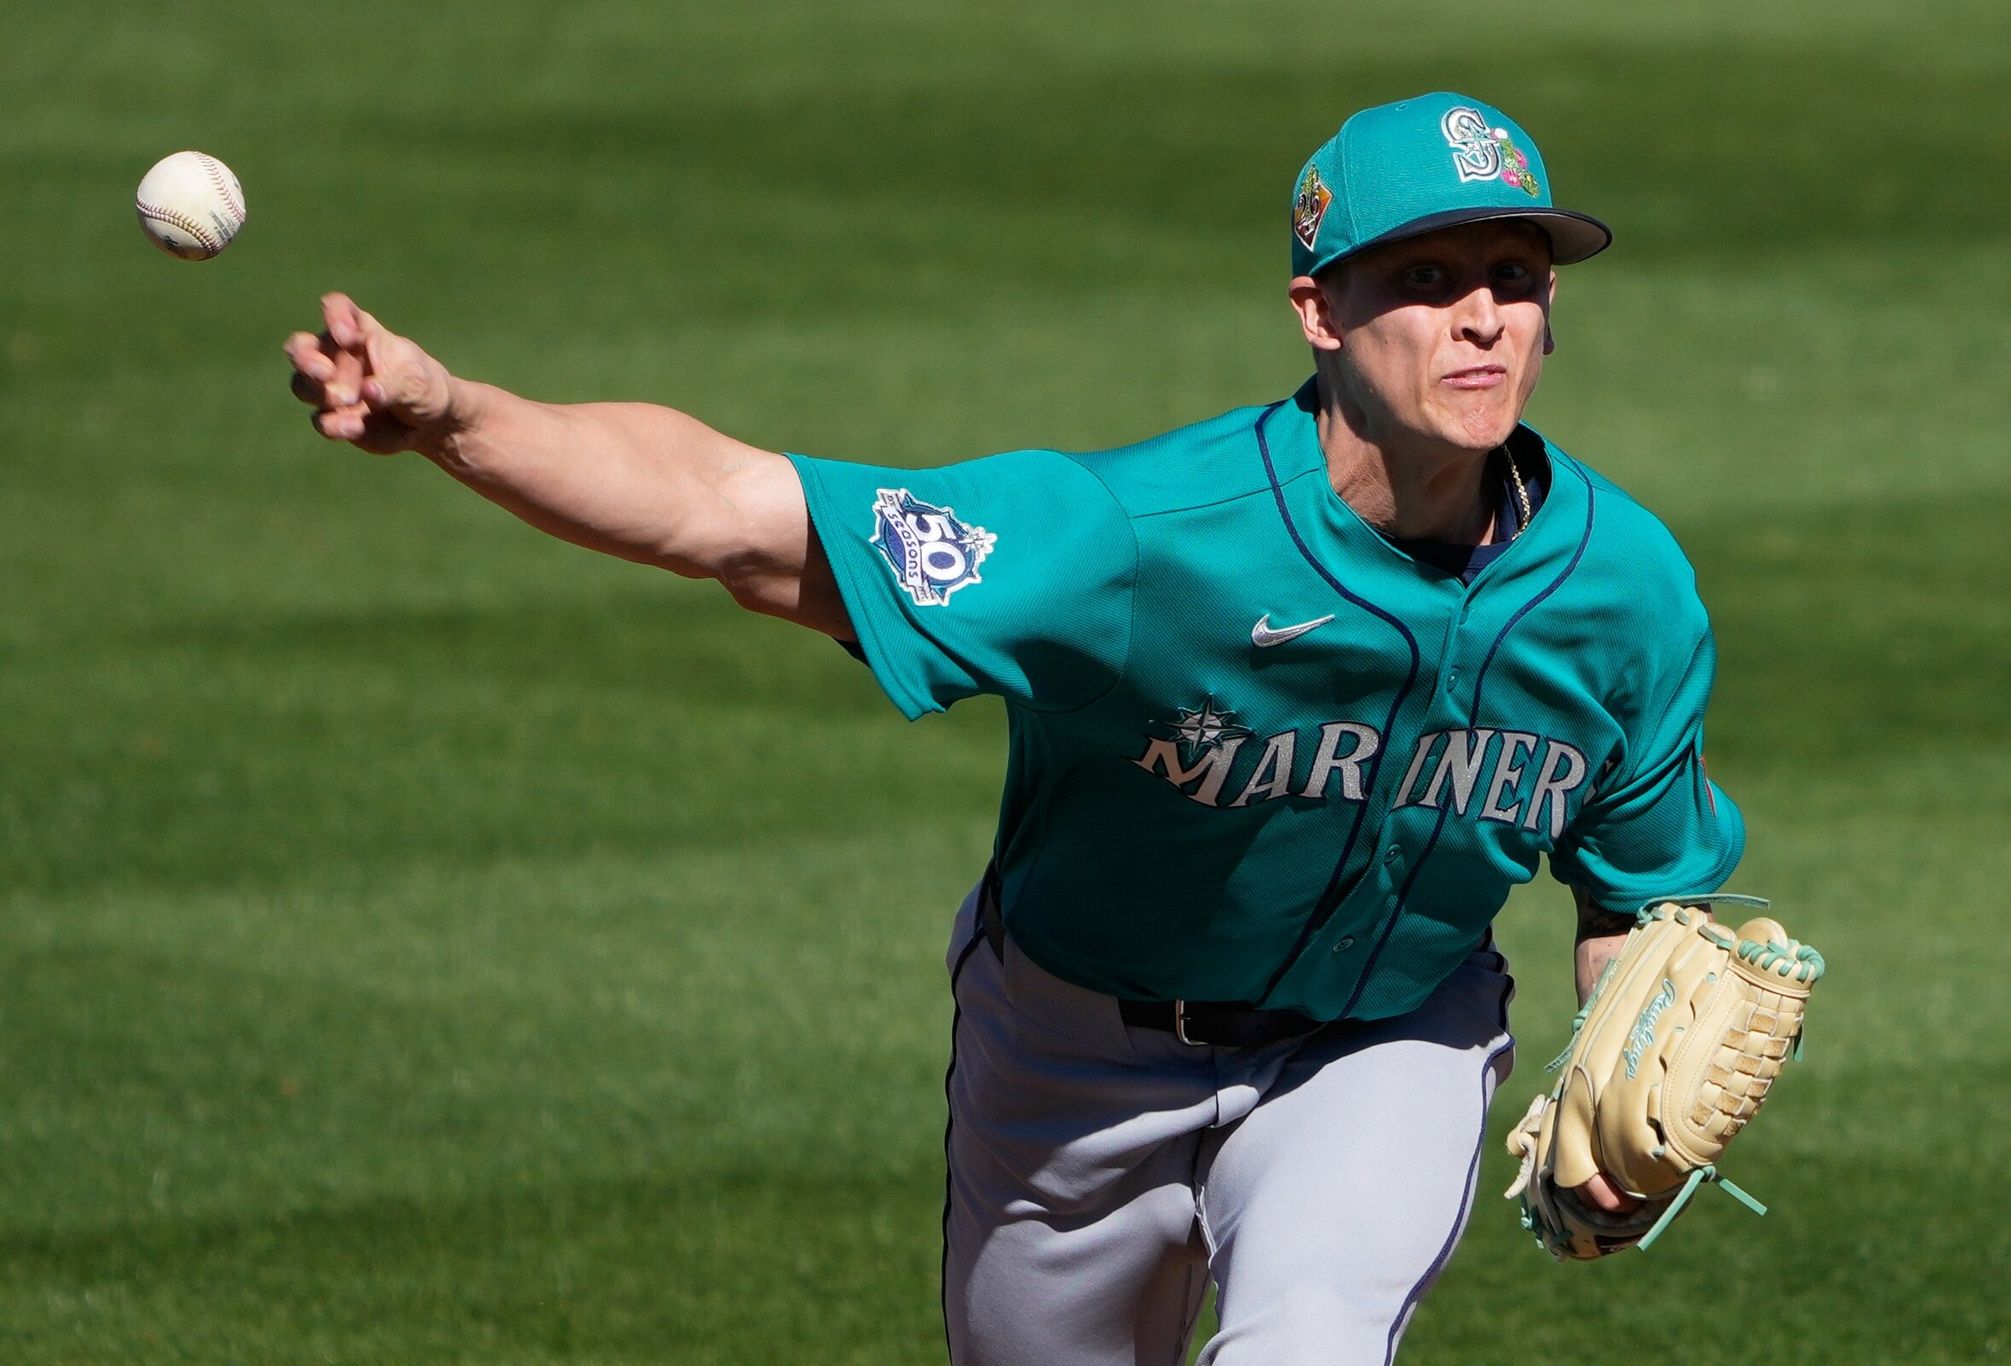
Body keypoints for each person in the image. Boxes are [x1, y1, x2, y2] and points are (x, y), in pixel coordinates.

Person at [286, 91, 1743, 1364]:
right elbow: (735, 513)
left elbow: (1641, 883)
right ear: (1318, 310)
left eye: (1516, 272)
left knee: (1311, 1339)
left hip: (1377, 1047)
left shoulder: (1625, 594)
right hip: (1074, 1061)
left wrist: (1630, 1085)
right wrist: (459, 413)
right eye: (1426, 276)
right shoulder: (1138, 538)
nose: (1484, 314)